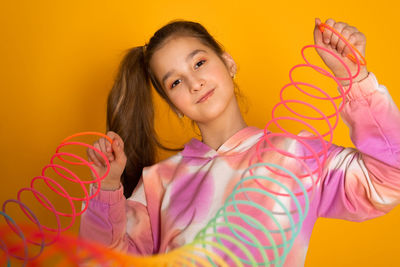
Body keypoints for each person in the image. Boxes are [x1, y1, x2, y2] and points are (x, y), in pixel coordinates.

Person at [79, 17, 400, 266]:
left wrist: (353, 78)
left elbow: (390, 177)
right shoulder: (156, 183)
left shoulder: (297, 156)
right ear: (173, 106)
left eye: (200, 62)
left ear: (228, 63)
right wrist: (107, 187)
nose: (195, 82)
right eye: (175, 81)